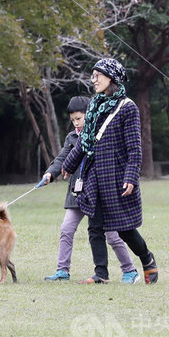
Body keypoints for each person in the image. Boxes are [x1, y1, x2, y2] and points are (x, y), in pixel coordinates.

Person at [62, 58, 158, 285]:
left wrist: (131, 176)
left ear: (112, 78)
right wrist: (68, 165)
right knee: (95, 227)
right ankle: (101, 274)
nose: (94, 80)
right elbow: (85, 144)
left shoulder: (128, 107)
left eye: (98, 75)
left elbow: (134, 147)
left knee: (124, 229)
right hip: (94, 177)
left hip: (117, 177)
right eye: (93, 75)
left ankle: (147, 259)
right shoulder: (94, 106)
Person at [42, 96, 140, 284]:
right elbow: (63, 158)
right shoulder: (71, 137)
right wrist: (50, 174)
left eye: (79, 118)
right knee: (66, 229)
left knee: (112, 234)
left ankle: (130, 271)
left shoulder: (100, 136)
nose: (76, 123)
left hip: (99, 192)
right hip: (77, 193)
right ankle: (62, 270)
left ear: (91, 114)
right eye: (73, 120)